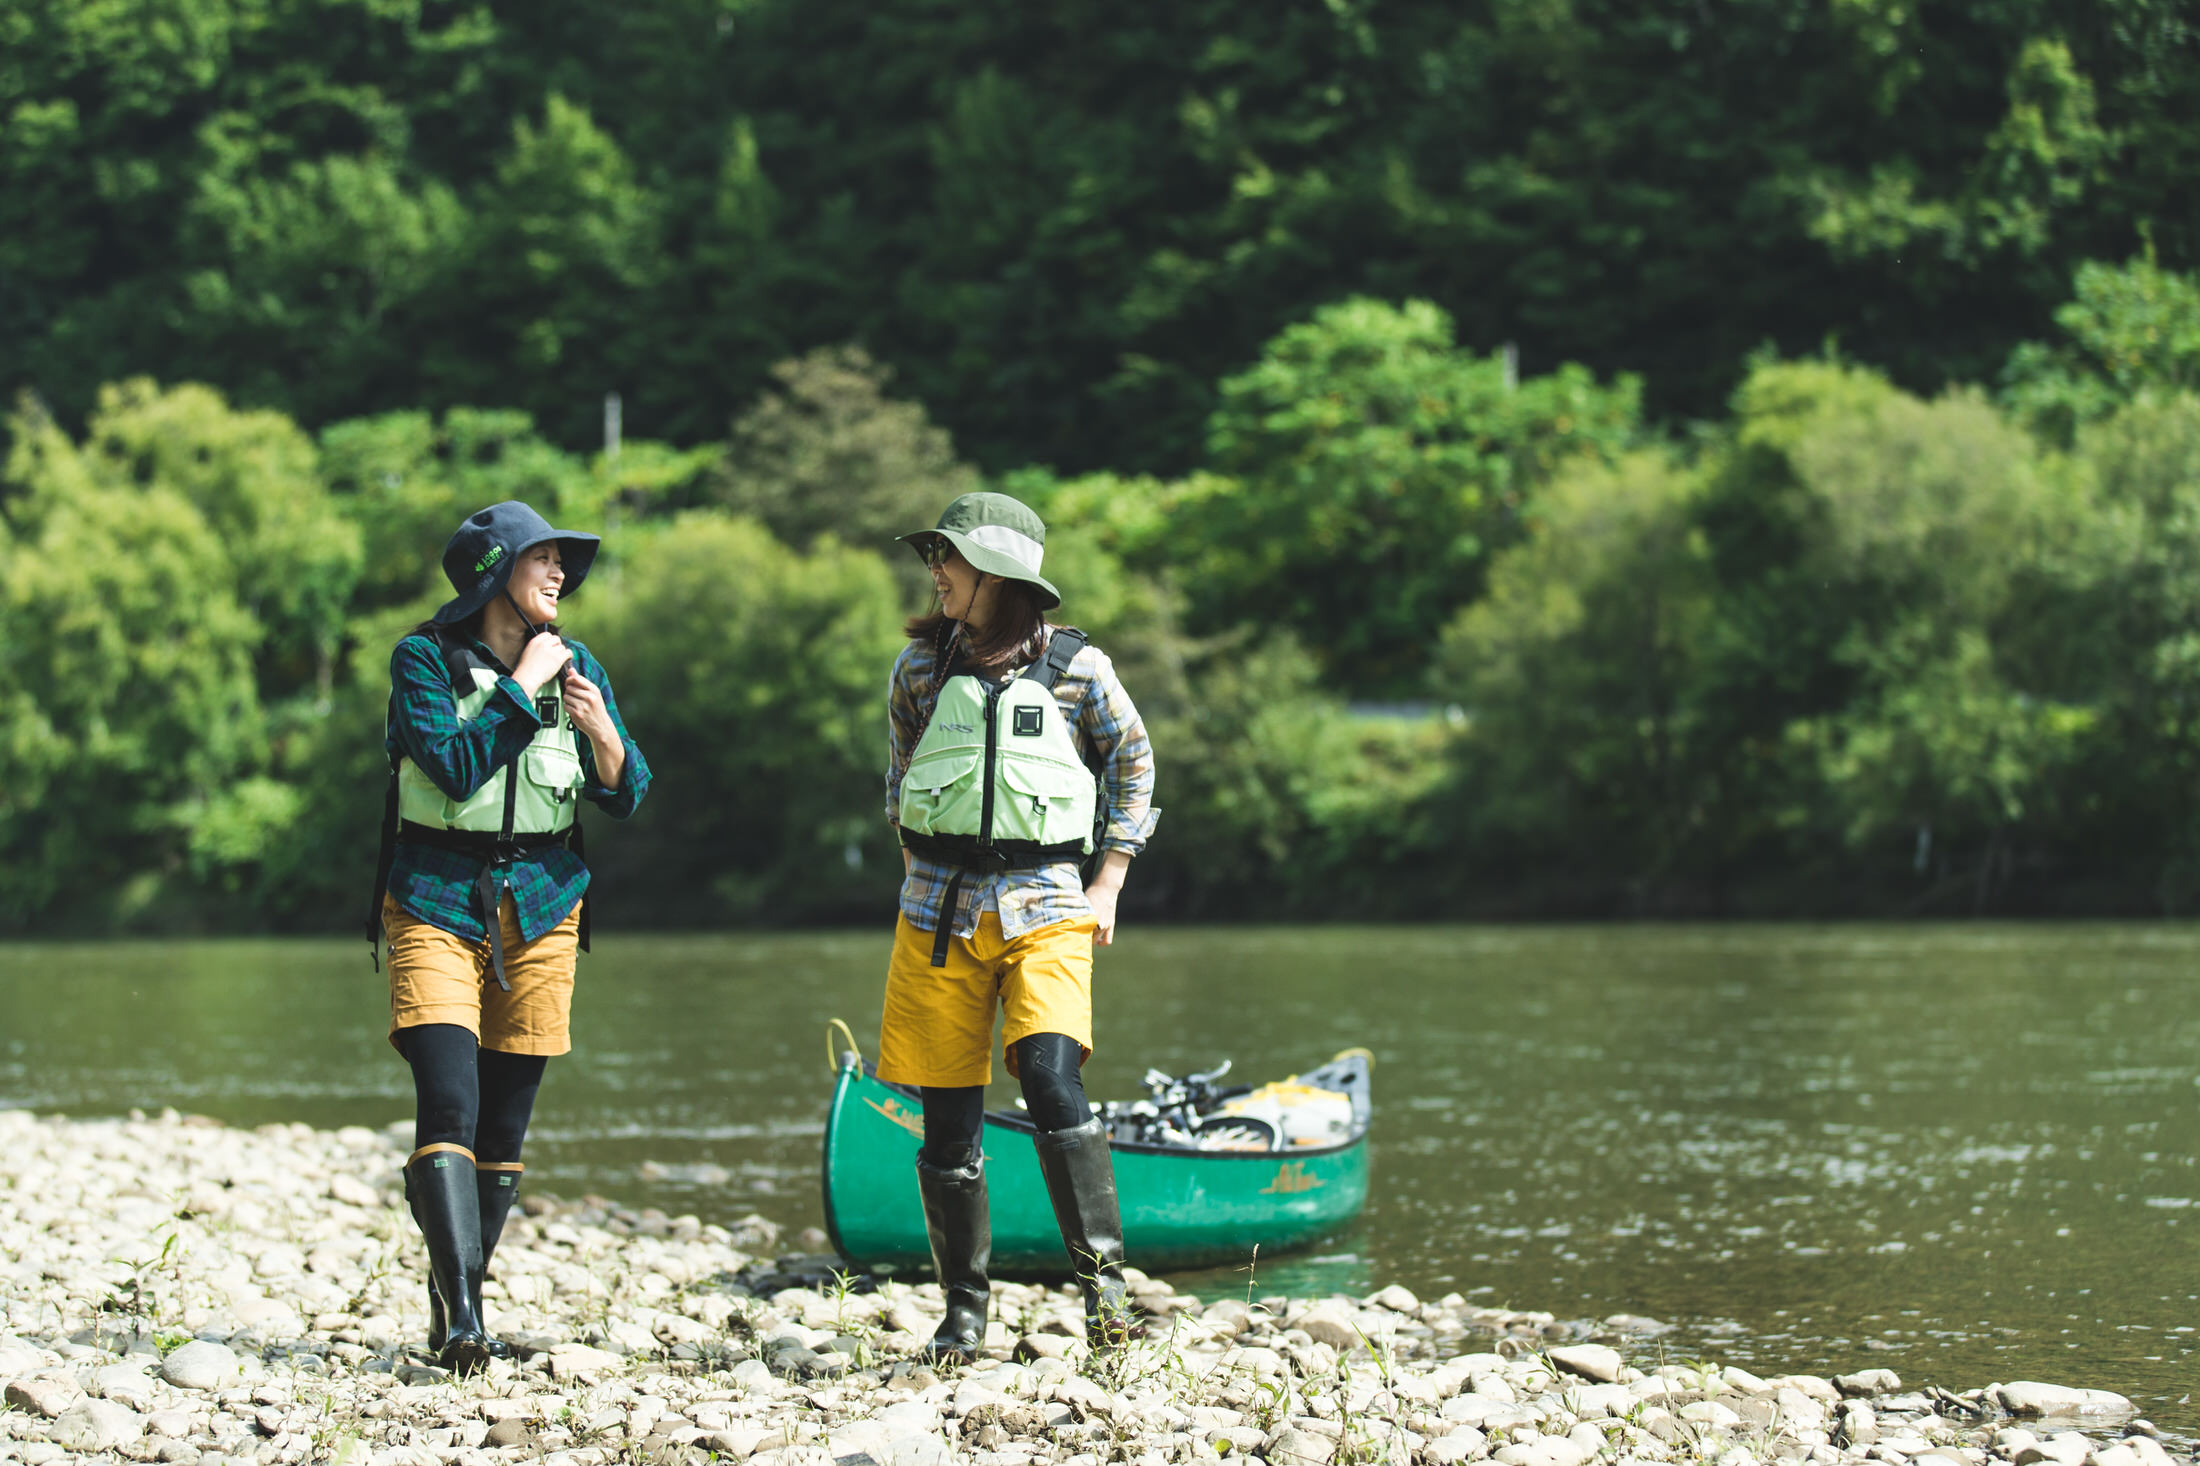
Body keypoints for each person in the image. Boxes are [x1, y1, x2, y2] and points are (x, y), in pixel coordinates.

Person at [363, 500, 651, 1374]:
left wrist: (601, 731)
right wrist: (524, 688)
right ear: (496, 572)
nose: (562, 576)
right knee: (448, 1101)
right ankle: (462, 1320)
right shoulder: (421, 659)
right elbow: (450, 769)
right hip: (435, 898)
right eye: (545, 561)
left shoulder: (578, 660)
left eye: (565, 563)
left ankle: (462, 1304)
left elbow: (629, 788)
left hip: (543, 899)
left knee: (506, 1125)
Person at [879, 491, 1159, 1361]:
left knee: (1049, 1078)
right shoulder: (919, 671)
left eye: (949, 559)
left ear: (998, 573)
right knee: (948, 1121)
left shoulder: (1081, 671)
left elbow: (1136, 762)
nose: (937, 574)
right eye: (936, 558)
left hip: (1047, 904)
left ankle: (1104, 1299)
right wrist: (920, 875)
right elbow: (900, 787)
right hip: (936, 915)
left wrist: (1108, 880)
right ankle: (964, 1314)